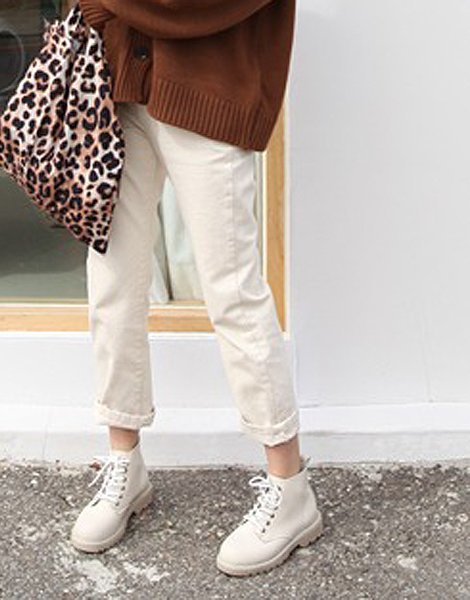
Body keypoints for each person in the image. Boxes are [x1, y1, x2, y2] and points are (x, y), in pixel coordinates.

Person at [69, 0, 323, 577]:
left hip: (210, 89)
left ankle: (291, 488)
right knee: (112, 280)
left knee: (232, 290)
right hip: (117, 84)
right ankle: (125, 462)